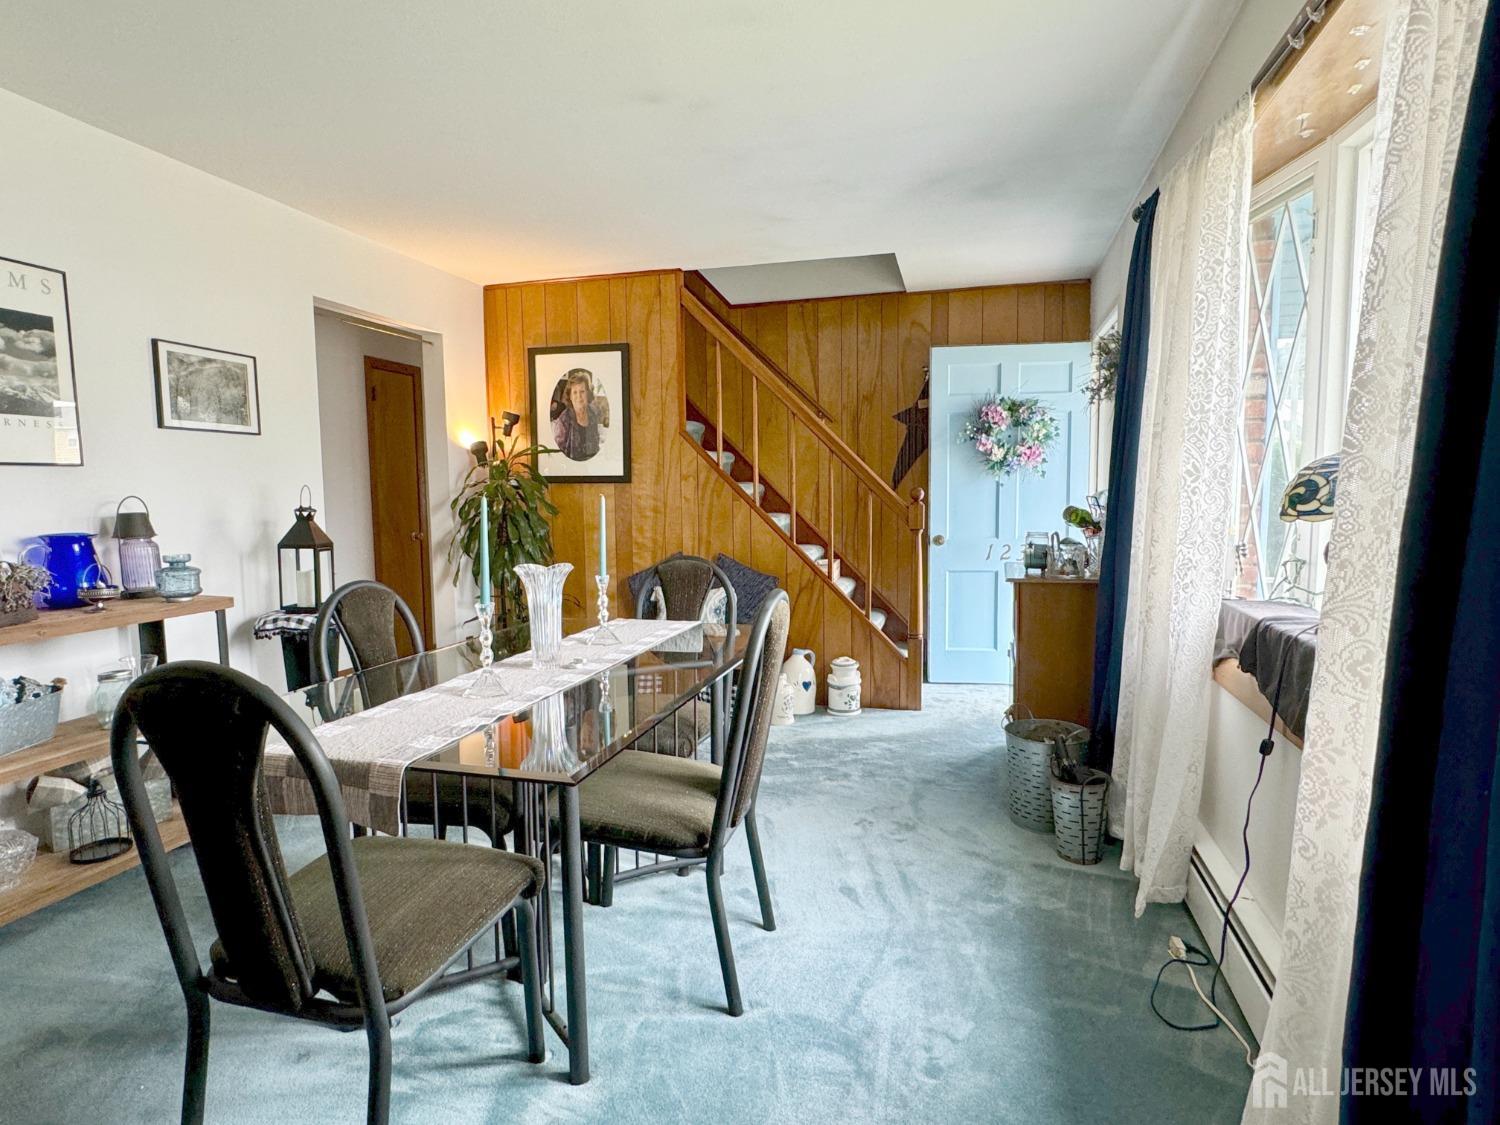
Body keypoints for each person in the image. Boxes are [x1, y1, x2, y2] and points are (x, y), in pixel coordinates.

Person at [551, 369, 605, 461]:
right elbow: (558, 455)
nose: (579, 396)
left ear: (588, 393)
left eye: (582, 391)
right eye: (575, 392)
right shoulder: (563, 420)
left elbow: (596, 444)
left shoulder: (592, 413)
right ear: (570, 396)